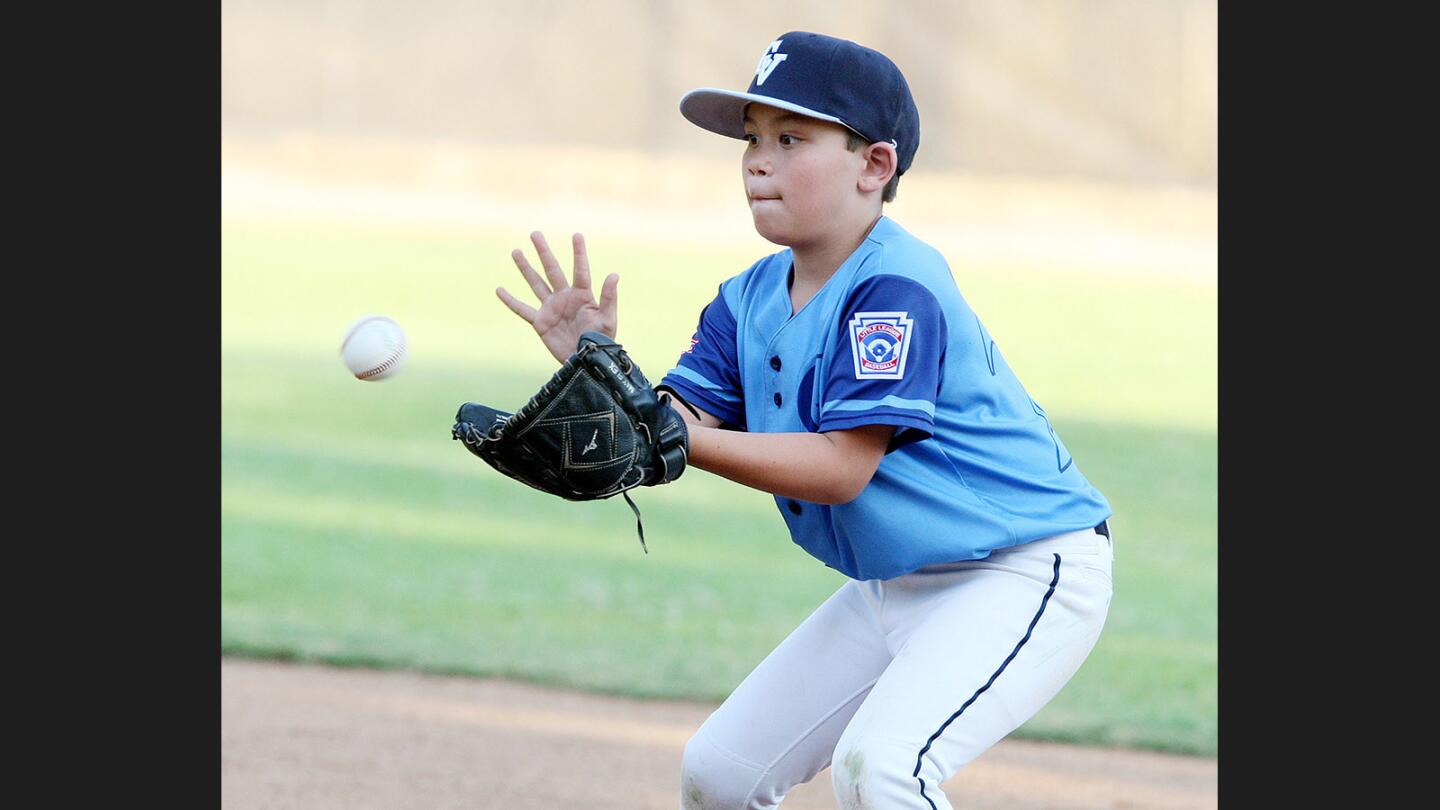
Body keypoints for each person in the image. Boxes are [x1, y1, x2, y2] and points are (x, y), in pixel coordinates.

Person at [495, 30, 1114, 810]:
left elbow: (838, 468)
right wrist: (596, 366)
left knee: (882, 770)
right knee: (721, 773)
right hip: (897, 581)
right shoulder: (745, 299)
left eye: (792, 139)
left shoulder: (895, 288)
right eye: (752, 140)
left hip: (1019, 572)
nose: (759, 160)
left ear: (874, 166)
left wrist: (679, 437)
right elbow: (662, 429)